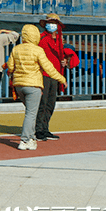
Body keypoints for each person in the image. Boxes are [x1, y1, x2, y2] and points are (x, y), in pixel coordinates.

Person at [7, 24, 65, 150]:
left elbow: (10, 66)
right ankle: (25, 140)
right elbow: (48, 68)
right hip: (33, 85)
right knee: (31, 114)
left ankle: (32, 138)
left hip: (19, 86)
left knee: (30, 112)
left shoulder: (16, 49)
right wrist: (61, 79)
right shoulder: (38, 50)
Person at [35, 13, 77, 141]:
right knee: (43, 103)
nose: (51, 25)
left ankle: (45, 128)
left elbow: (61, 56)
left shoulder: (59, 40)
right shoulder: (41, 38)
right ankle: (38, 130)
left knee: (51, 103)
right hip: (44, 74)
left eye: (53, 23)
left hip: (56, 74)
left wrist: (64, 61)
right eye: (49, 23)